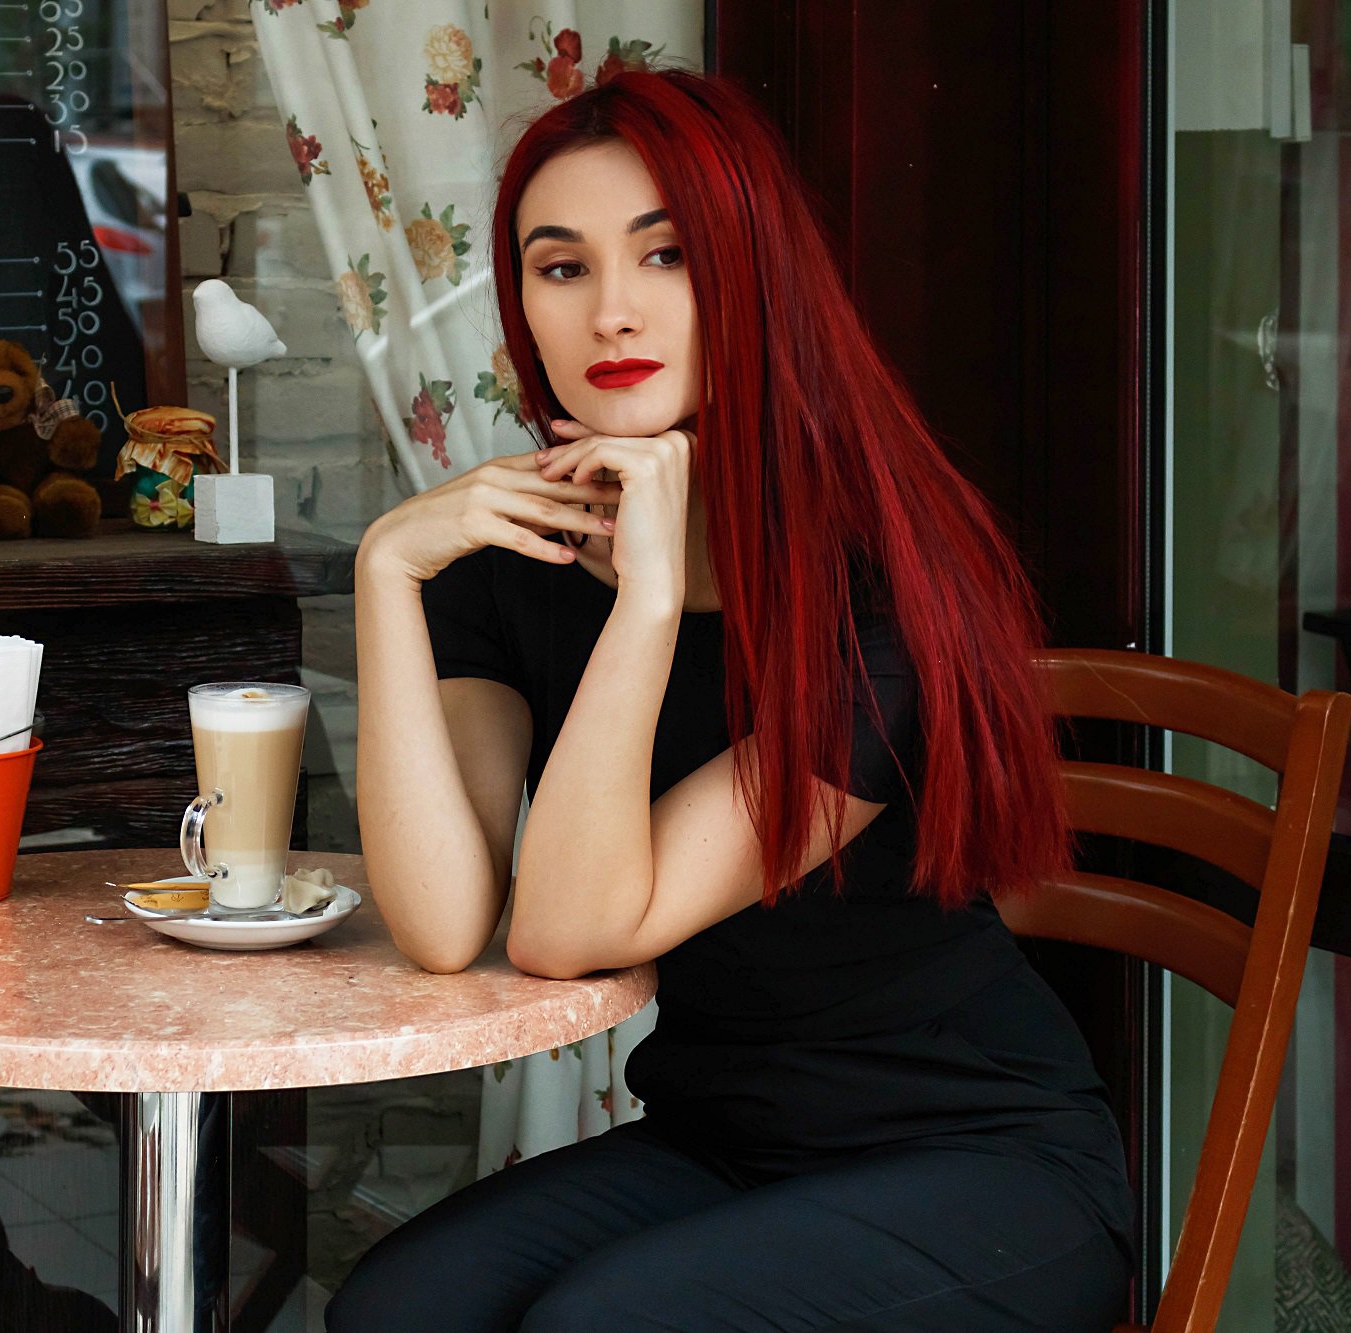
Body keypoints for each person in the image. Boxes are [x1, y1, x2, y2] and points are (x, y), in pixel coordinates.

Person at [333, 68, 1134, 1332]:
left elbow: (569, 930)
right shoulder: (508, 570)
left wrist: (649, 600)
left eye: (668, 255)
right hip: (723, 1146)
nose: (611, 311)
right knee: (398, 1310)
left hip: (980, 1162)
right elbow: (441, 925)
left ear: (753, 277)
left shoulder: (877, 588)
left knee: (601, 1328)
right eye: (561, 268)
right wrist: (385, 571)